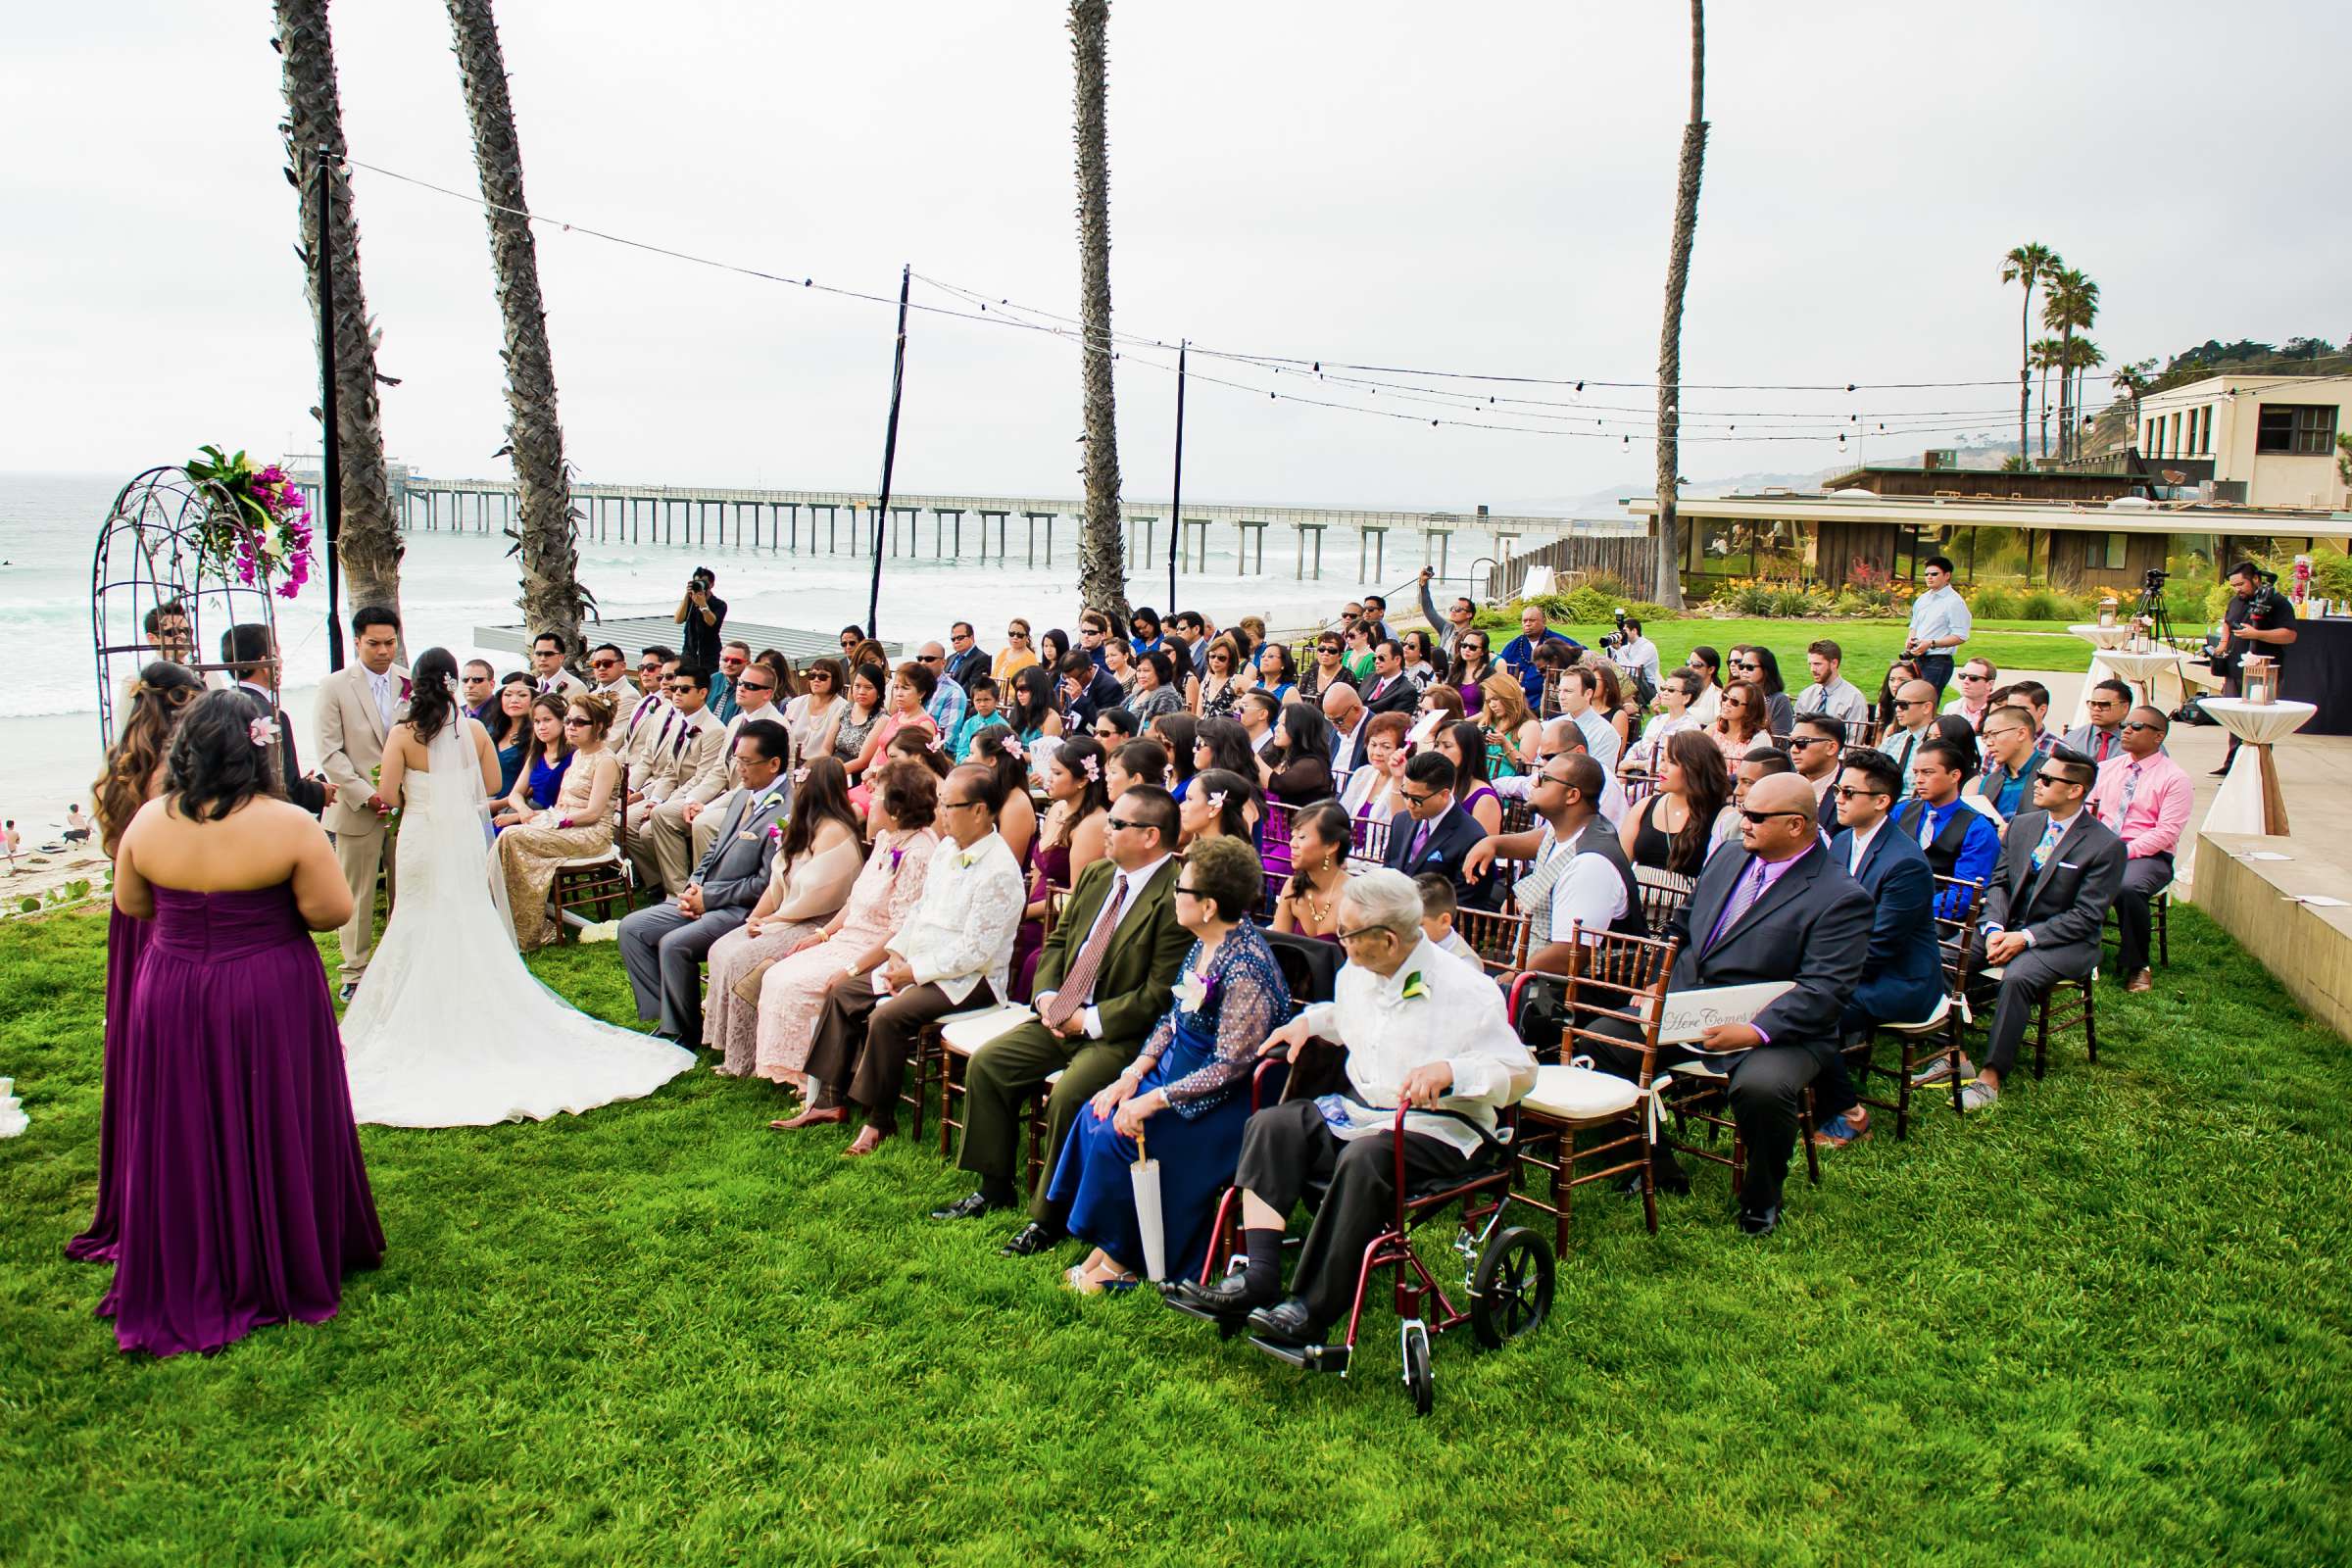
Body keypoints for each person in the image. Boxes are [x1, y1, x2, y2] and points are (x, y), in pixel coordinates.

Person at [102, 690, 384, 1354]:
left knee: (183, 1120)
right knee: (273, 1110)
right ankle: (281, 1250)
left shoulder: (148, 821)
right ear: (263, 747)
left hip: (171, 987)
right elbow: (330, 911)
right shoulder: (286, 824)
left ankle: (195, 1251)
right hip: (263, 984)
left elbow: (132, 902)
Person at [1169, 869, 1535, 1344]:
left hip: (1444, 1127)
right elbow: (1351, 1017)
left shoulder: (1466, 989)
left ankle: (1311, 1308)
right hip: (1367, 1112)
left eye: (1346, 933)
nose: (1338, 940)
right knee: (1274, 1124)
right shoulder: (1358, 971)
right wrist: (1309, 1022)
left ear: (1386, 939)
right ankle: (1257, 1275)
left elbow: (1520, 1072)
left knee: (1366, 1159)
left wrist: (1451, 1071)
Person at [339, 651, 694, 1125]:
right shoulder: (475, 730)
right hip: (461, 835)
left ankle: (417, 1007)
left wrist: (415, 792)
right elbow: (489, 782)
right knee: (464, 908)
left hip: (422, 834)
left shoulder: (402, 735)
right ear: (449, 683)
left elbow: (387, 795)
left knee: (416, 913)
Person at [1585, 774, 1874, 1234]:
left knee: (1761, 1087)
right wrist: (1656, 985)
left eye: (1756, 816)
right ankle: (1652, 1166)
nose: (1744, 822)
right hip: (1690, 1009)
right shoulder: (1730, 854)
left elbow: (1825, 990)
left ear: (1797, 825)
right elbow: (1682, 926)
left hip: (1783, 1031)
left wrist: (1755, 1030)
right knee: (1599, 1039)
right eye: (1743, 809)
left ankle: (1761, 1201)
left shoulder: (1840, 897)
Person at [937, 786, 1190, 1250]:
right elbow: (1058, 942)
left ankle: (1048, 1217)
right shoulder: (1098, 875)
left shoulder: (1175, 897)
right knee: (989, 1064)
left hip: (1119, 1036)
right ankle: (992, 1187)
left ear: (1151, 836)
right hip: (1061, 1014)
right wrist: (1048, 996)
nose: (1105, 830)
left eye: (1117, 824)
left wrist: (1087, 1021)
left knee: (1071, 1094)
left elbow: (1158, 995)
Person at [1044, 837, 1289, 1292]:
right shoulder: (1203, 944)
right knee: (1096, 1113)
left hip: (1227, 1104)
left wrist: (1152, 1100)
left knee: (1125, 1135)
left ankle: (1130, 1259)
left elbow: (1230, 1067)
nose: (1174, 894)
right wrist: (1131, 1075)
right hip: (1179, 1072)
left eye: (1183, 889)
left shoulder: (1246, 967)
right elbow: (1172, 1018)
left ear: (1209, 905)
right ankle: (1112, 1245)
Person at [780, 763, 1025, 1154]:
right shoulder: (947, 850)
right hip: (921, 962)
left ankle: (880, 1120)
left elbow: (975, 952)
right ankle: (828, 1100)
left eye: (949, 805)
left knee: (887, 1017)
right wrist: (896, 956)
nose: (940, 813)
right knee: (843, 991)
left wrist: (914, 972)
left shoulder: (999, 870)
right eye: (942, 804)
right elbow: (919, 914)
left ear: (979, 810)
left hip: (970, 981)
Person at [66, 662, 205, 1266]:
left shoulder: (124, 759)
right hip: (168, 915)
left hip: (132, 913)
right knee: (176, 1047)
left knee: (140, 1044)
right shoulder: (171, 776)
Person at [1925, 748, 2125, 1112]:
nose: (2037, 783)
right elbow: (1998, 882)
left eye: (2047, 779)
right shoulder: (2023, 824)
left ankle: (1991, 1075)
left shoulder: (2105, 846)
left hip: (2067, 941)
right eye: (2040, 776)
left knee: (2018, 978)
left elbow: (2086, 915)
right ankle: (1955, 1053)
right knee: (1942, 956)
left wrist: (2026, 938)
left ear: (2075, 790)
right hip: (2008, 926)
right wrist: (1996, 926)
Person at [751, 762, 940, 1093]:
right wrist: (823, 934)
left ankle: (817, 1078)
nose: (869, 799)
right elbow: (856, 899)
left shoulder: (919, 853)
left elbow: (901, 929)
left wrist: (853, 969)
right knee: (777, 973)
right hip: (849, 936)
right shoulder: (885, 838)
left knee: (798, 983)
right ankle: (799, 1070)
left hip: (878, 950)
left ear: (895, 809)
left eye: (876, 795)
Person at [615, 718, 797, 1045]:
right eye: (736, 759)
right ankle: (669, 1014)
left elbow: (767, 883)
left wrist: (709, 898)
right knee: (632, 929)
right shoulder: (744, 795)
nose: (738, 768)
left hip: (744, 910)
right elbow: (714, 847)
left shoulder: (787, 810)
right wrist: (693, 886)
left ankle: (682, 1031)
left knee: (675, 943)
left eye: (746, 761)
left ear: (774, 764)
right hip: (706, 896)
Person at [1810, 750, 1943, 1149]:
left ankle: (1850, 1113)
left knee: (1814, 1013)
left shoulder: (1905, 863)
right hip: (1847, 966)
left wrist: (1819, 975)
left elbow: (1882, 944)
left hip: (1900, 980)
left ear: (1882, 801)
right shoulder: (1842, 842)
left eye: (1850, 792)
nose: (1839, 799)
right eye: (1838, 789)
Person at [701, 757, 866, 1074]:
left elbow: (818, 893)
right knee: (722, 948)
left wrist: (774, 921)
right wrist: (757, 915)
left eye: (802, 782)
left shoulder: (835, 830)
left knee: (744, 960)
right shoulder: (801, 824)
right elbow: (779, 876)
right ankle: (724, 1041)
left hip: (817, 922)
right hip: (785, 916)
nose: (797, 787)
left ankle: (744, 1058)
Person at [1466, 753, 1644, 963]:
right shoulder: (1571, 829)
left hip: (1566, 988)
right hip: (1533, 964)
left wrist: (1512, 977)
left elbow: (1569, 954)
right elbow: (1540, 839)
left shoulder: (1591, 865)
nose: (1534, 783)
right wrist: (1493, 843)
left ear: (1572, 796)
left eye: (1544, 779)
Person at [313, 606, 409, 997]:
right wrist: (367, 795)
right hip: (356, 808)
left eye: (389, 643)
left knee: (406, 888)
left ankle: (401, 962)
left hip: (405, 808)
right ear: (357, 641)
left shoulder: (409, 681)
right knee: (357, 893)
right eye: (374, 643)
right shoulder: (333, 686)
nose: (383, 651)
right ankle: (355, 971)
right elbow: (330, 753)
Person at [494, 692, 626, 951]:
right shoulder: (578, 755)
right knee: (510, 835)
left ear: (598, 726)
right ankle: (509, 917)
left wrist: (555, 821)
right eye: (568, 721)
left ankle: (529, 930)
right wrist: (542, 818)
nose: (571, 727)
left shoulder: (606, 760)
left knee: (513, 836)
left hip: (591, 835)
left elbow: (594, 813)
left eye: (579, 722)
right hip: (566, 823)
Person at [2085, 708, 2191, 993]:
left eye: (2136, 726)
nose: (2127, 730)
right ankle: (2067, 949)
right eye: (2126, 725)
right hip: (2100, 847)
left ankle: (2137, 964)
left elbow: (2166, 832)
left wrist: (2122, 853)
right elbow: (2088, 811)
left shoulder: (2174, 779)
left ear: (2158, 736)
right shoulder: (2107, 768)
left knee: (2128, 887)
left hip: (2148, 855)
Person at [1009, 735, 1111, 1000]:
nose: (1048, 778)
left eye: (1056, 773)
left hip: (1058, 916)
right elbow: (1038, 870)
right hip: (1036, 902)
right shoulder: (1057, 810)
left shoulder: (1092, 824)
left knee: (1026, 952)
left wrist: (1023, 911)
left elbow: (1076, 896)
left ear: (1082, 780)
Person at [626, 663, 727, 894]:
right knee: (630, 822)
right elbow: (670, 772)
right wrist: (657, 799)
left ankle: (679, 889)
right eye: (675, 688)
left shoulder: (713, 730)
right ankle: (659, 883)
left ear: (702, 693)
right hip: (676, 793)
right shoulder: (680, 723)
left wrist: (664, 803)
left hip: (702, 795)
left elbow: (703, 778)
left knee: (647, 827)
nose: (676, 693)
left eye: (684, 689)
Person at [220, 622, 328, 817]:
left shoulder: (215, 707)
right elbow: (287, 788)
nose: (281, 661)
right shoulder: (273, 716)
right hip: (264, 817)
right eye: (277, 655)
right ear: (265, 663)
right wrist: (320, 791)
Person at [1890, 738, 2003, 912]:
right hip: (1888, 901)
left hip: (1936, 918)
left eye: (1927, 773)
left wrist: (1910, 910)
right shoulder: (1900, 811)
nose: (1918, 780)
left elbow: (1964, 895)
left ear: (1954, 775)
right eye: (1916, 772)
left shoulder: (1978, 829)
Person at [2211, 559, 2300, 774]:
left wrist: (2257, 634)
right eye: (2234, 586)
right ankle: (2232, 763)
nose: (2237, 589)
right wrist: (2222, 644)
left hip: (2264, 670)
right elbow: (2227, 622)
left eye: (2241, 584)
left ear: (2256, 579)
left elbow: (2289, 635)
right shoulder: (2236, 601)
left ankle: (2257, 765)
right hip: (2235, 667)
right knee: (2235, 717)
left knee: (2259, 721)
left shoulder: (2278, 603)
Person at [1622, 728, 1732, 880]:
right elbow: (1619, 864)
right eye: (1663, 760)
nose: (1662, 768)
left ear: (1695, 767)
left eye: (1672, 762)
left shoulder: (1724, 817)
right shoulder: (1644, 806)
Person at [1383, 749, 1485, 887]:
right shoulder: (1401, 821)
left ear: (1443, 795)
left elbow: (1466, 900)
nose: (1409, 804)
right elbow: (1389, 871)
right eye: (1405, 795)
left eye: (1417, 799)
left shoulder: (1471, 838)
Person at [1271, 799, 1352, 940]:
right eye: (1293, 836)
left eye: (1302, 837)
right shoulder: (1292, 887)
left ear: (1332, 845)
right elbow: (1277, 948)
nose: (1292, 844)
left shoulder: (1353, 897)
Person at [492, 693, 571, 829]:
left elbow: (563, 809)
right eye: (537, 721)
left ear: (563, 721)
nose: (541, 727)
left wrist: (517, 816)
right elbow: (515, 794)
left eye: (547, 720)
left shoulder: (573, 757)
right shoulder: (537, 755)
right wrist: (522, 809)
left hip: (552, 822)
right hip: (528, 815)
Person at [1903, 555, 1971, 698]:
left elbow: (1961, 636)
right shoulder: (1923, 599)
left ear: (1947, 575)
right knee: (1909, 699)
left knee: (1924, 702)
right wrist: (1911, 639)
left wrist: (1931, 643)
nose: (1929, 577)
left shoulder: (1954, 602)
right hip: (1918, 658)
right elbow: (1914, 624)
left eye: (1934, 574)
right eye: (1926, 574)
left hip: (1938, 661)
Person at [1968, 705, 2047, 821]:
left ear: (2021, 733)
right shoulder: (1990, 781)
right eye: (1985, 737)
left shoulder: (2049, 775)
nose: (1988, 743)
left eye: (1994, 734)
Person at [1498, 605, 1581, 712]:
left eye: (1532, 620)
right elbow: (1500, 667)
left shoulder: (1559, 642)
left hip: (1549, 700)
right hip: (1519, 700)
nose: (1527, 624)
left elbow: (1580, 656)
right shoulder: (1513, 646)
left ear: (1544, 621)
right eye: (1524, 621)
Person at [820, 662, 888, 772]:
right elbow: (825, 748)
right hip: (831, 767)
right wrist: (824, 768)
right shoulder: (845, 709)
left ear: (879, 692)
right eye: (857, 686)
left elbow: (863, 761)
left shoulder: (882, 719)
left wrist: (833, 772)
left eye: (868, 687)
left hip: (855, 773)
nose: (861, 692)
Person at [1264, 706, 1337, 808]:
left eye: (1284, 725)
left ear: (1302, 729)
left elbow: (1279, 784)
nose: (1276, 728)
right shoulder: (1277, 757)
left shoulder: (1313, 765)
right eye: (1277, 723)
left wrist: (1248, 751)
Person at [1793, 639, 1869, 731]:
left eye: (1817, 664)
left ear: (1834, 663)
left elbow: (1852, 741)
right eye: (1810, 664)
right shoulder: (1806, 695)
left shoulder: (1854, 698)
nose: (1812, 669)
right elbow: (1794, 732)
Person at [483, 677, 537, 804]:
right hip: (484, 802)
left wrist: (497, 805)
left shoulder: (537, 735)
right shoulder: (492, 730)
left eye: (522, 695)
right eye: (507, 695)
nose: (514, 700)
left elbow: (533, 786)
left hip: (511, 808)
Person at [1882, 678, 1940, 793]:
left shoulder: (1937, 743)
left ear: (1926, 707)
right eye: (1896, 704)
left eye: (1904, 704)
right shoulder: (1891, 742)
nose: (1898, 709)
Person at [1414, 871, 1483, 967]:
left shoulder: (1465, 963)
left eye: (1418, 924)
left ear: (1444, 921)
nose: (1407, 929)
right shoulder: (1415, 943)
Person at [785, 657, 847, 762]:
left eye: (822, 676)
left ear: (835, 679)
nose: (816, 680)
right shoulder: (795, 704)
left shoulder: (843, 708)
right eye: (812, 675)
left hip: (822, 766)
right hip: (790, 762)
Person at [1788, 714, 1844, 830]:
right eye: (1791, 743)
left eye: (1801, 742)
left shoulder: (1849, 790)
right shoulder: (1783, 782)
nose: (1793, 750)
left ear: (1831, 747)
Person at [1177, 767, 1257, 848]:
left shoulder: (1228, 858)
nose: (1181, 807)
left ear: (1214, 808)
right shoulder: (1197, 852)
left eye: (1190, 799)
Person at [2062, 679, 2133, 764]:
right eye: (2093, 703)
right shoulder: (2073, 739)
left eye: (2104, 704)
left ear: (2125, 707)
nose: (2096, 709)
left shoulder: (2138, 742)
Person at [1416, 565, 1479, 662]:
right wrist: (1423, 585)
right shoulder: (1447, 628)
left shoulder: (1472, 636)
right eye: (1452, 608)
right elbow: (1428, 609)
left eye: (1458, 609)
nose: (1453, 611)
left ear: (1469, 615)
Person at [1730, 648, 1796, 738]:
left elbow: (1780, 740)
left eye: (1750, 667)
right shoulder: (1736, 697)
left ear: (1766, 669)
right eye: (1741, 667)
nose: (1744, 671)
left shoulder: (1779, 700)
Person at [675, 566, 727, 670]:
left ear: (711, 585)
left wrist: (702, 604)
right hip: (689, 653)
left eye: (703, 582)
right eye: (696, 582)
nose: (699, 585)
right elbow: (678, 620)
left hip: (709, 656)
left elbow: (712, 622)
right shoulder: (690, 601)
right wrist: (687, 595)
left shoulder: (719, 604)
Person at [1711, 679, 1768, 769]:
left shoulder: (1760, 739)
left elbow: (1752, 773)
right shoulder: (1713, 729)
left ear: (1750, 709)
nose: (1726, 704)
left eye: (1734, 702)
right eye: (1725, 698)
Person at [914, 641, 967, 736]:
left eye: (929, 659)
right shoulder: (914, 686)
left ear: (943, 662)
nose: (923, 663)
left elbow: (945, 739)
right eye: (919, 659)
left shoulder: (953, 692)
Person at [1608, 615, 1661, 700]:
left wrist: (1618, 650)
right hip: (1638, 682)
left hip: (1649, 688)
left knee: (1622, 678)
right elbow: (1613, 657)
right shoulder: (1630, 644)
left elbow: (1631, 670)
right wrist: (1611, 642)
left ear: (1634, 631)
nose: (1623, 634)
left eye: (1625, 631)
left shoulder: (1647, 647)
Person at [1944, 657, 1998, 729]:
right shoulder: (1950, 709)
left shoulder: (1999, 712)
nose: (1965, 681)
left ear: (1989, 684)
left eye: (1973, 678)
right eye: (1963, 676)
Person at [943, 621, 989, 692]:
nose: (956, 641)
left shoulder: (982, 659)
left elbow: (972, 688)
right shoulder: (950, 658)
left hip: (963, 700)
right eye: (953, 639)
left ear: (972, 637)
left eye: (960, 638)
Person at [1684, 646, 1724, 727]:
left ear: (1711, 670)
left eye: (1696, 665)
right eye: (1688, 663)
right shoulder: (1683, 690)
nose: (1690, 668)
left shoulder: (1718, 696)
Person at [993, 618, 1041, 684]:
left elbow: (1030, 685)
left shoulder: (1030, 658)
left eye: (1020, 635)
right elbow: (993, 676)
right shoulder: (1003, 652)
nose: (1015, 637)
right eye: (1011, 634)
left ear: (1027, 637)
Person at [459, 659, 500, 726]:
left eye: (477, 680)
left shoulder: (502, 713)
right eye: (465, 680)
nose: (470, 685)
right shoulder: (455, 714)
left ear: (492, 684)